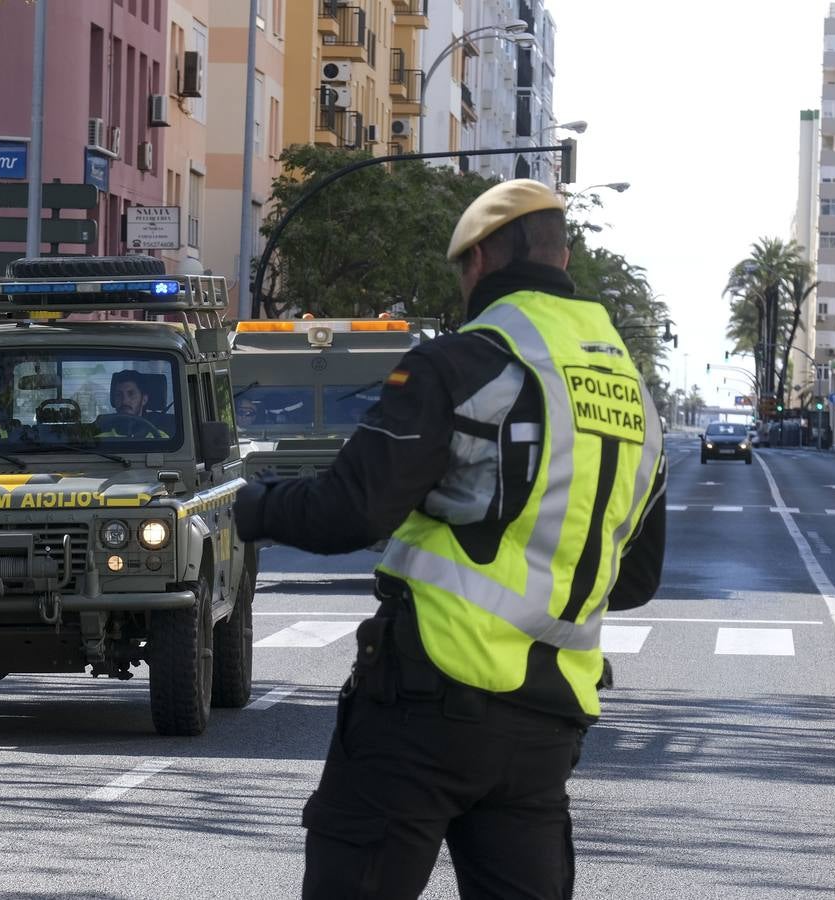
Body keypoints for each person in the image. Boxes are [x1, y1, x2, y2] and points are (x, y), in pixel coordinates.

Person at [233, 179, 667, 900]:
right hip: (544, 727)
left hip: (424, 709)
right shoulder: (634, 396)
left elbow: (353, 510)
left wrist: (253, 510)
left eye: (462, 266)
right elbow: (636, 576)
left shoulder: (464, 363)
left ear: (486, 259)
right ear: (561, 257)